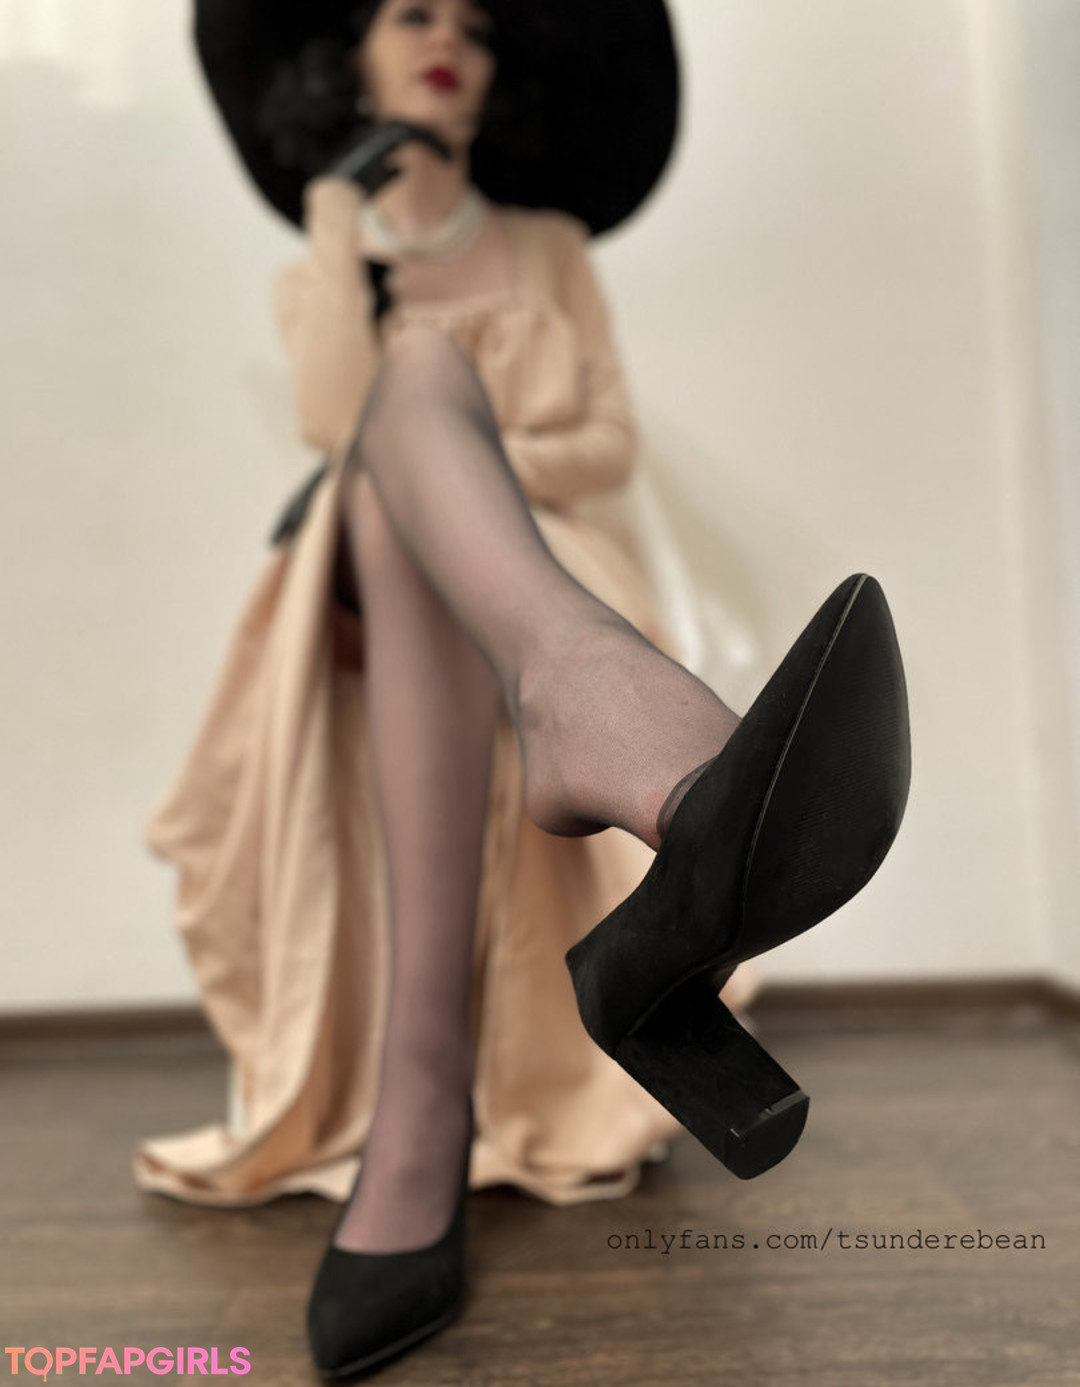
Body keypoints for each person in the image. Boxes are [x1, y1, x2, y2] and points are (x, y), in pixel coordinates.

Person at [137, 0, 910, 1378]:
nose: (447, 36)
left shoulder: (547, 243)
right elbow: (329, 421)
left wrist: (475, 479)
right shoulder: (324, 251)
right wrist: (337, 225)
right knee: (408, 390)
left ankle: (419, 1114)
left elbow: (606, 441)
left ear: (501, 78)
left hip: (531, 554)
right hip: (355, 580)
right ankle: (640, 747)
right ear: (348, 60)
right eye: (410, 12)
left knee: (427, 482)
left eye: (475, 24)